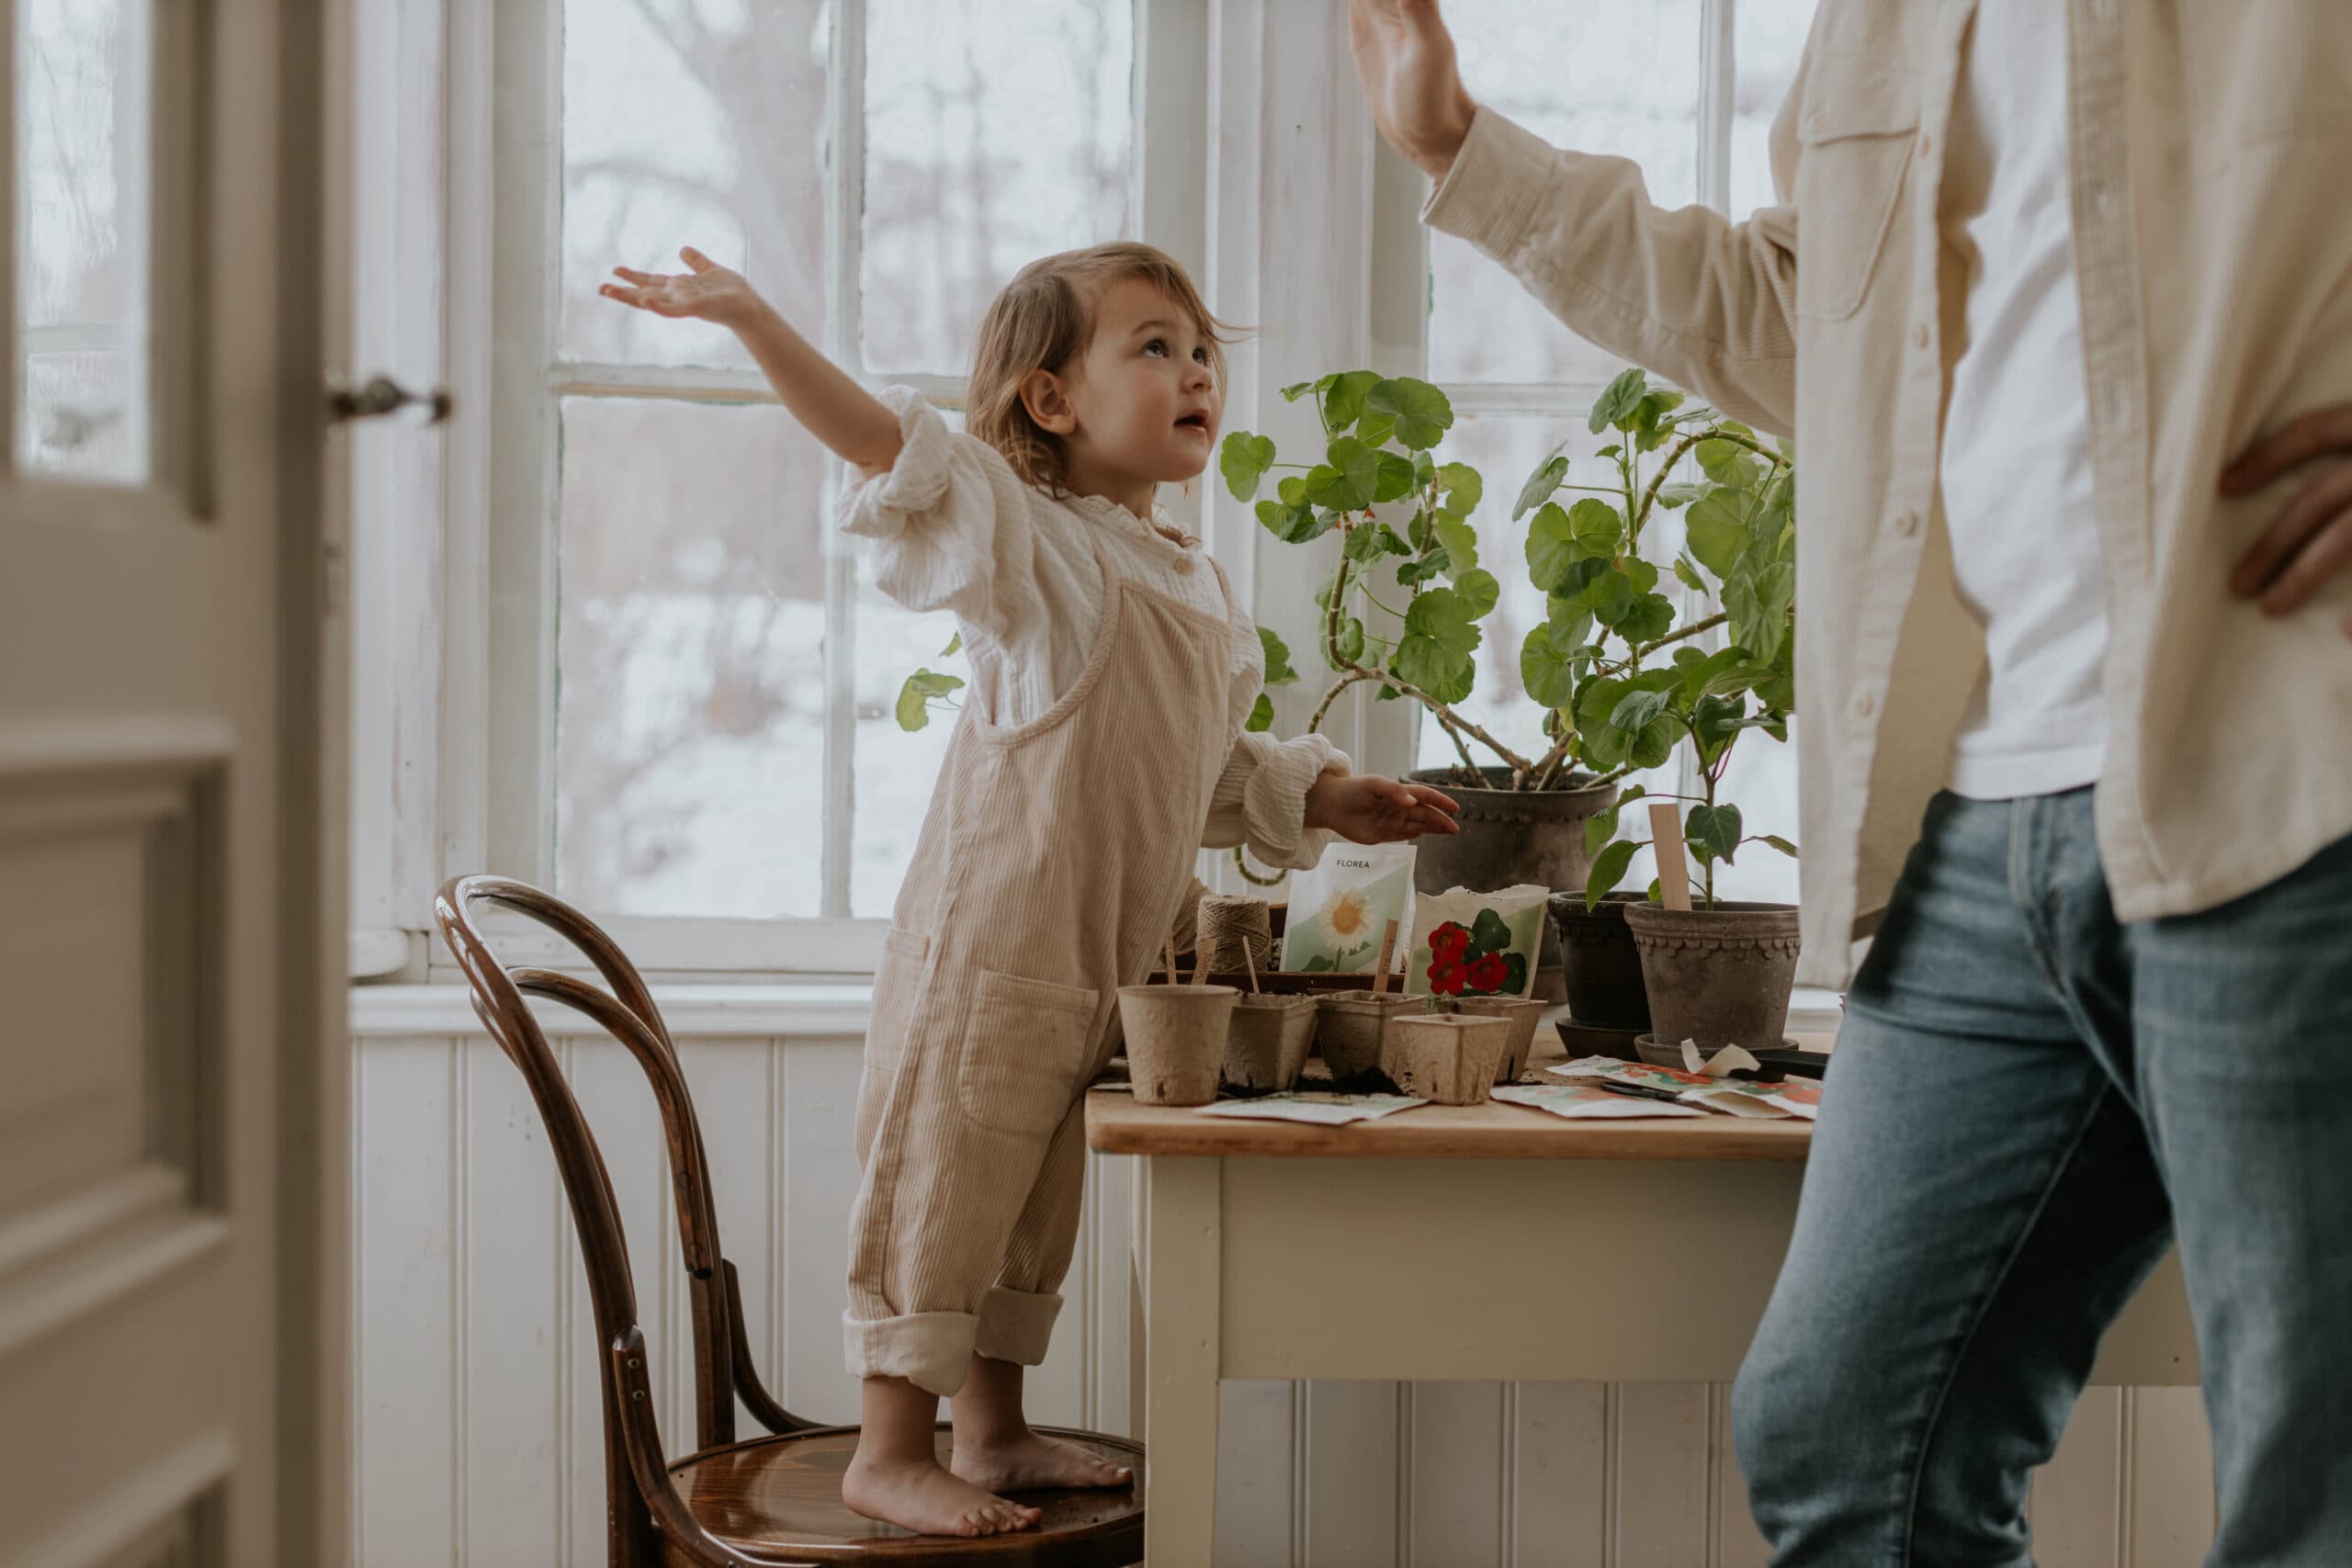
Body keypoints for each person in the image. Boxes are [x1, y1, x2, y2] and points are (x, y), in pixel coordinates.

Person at [1350, 0, 2352, 1561]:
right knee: (1848, 1439)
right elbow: (1809, 321)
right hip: (1981, 811)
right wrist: (1463, 155)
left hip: (2298, 774)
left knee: (2316, 1484)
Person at [600, 241, 1462, 1537]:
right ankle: (891, 1449)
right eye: (1153, 346)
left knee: (1029, 1203)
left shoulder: (1191, 578)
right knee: (945, 1185)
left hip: (1097, 962)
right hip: (987, 949)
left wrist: (1326, 795)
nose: (1196, 372)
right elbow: (897, 450)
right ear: (1053, 400)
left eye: (1202, 348)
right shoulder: (1034, 547)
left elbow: (1195, 765)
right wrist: (755, 319)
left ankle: (989, 1431)